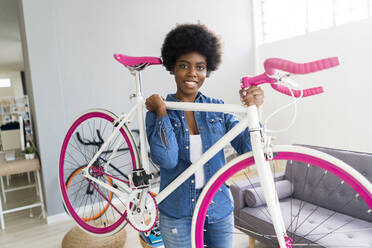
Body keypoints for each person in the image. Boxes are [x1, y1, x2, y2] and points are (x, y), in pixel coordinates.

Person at [145, 23, 264, 248]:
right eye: (184, 66)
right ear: (173, 68)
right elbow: (167, 159)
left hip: (218, 208)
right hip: (177, 212)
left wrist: (254, 111)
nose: (192, 73)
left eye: (200, 67)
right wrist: (161, 112)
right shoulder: (159, 110)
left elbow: (249, 149)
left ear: (207, 71)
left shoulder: (217, 109)